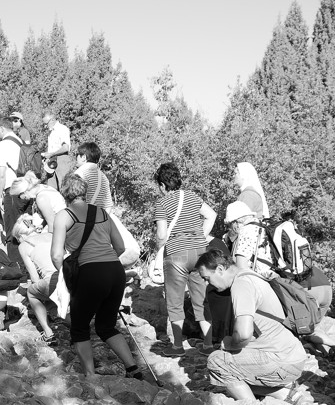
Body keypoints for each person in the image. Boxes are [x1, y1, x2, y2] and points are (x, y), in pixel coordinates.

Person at [50, 174, 148, 381]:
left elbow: (57, 255)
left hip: (89, 272)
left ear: (64, 194)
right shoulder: (102, 212)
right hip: (115, 271)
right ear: (84, 191)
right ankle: (132, 368)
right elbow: (120, 247)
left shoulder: (64, 216)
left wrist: (67, 277)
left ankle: (91, 377)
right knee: (106, 326)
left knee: (79, 327)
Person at [195, 249, 310, 403]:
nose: (207, 284)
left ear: (220, 269)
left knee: (217, 361)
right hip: (292, 357)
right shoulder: (250, 275)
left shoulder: (241, 284)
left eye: (207, 278)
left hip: (281, 361)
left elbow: (243, 335)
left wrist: (228, 344)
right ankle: (284, 393)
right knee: (228, 374)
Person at [154, 162, 217, 356]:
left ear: (163, 185)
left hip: (176, 255)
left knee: (175, 301)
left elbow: (162, 235)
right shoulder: (192, 196)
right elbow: (211, 215)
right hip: (199, 253)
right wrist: (200, 237)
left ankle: (177, 346)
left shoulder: (162, 203)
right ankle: (208, 345)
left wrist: (157, 247)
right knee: (202, 300)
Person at [12, 213, 59, 344]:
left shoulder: (24, 245)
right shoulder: (51, 235)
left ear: (21, 236)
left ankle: (48, 333)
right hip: (72, 275)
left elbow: (34, 278)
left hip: (54, 279)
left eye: (17, 239)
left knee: (32, 293)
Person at [0, 118, 30, 266]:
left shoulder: (4, 144)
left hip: (13, 191)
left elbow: (1, 173)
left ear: (2, 129)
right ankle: (30, 266)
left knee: (13, 232)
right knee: (27, 229)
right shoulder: (20, 142)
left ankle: (18, 269)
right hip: (27, 189)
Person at [223, 201, 271, 273]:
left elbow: (241, 267)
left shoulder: (245, 231)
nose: (230, 228)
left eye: (230, 225)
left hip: (258, 276)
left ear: (235, 222)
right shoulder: (263, 226)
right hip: (273, 273)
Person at [74, 142, 113, 212]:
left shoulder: (79, 174)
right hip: (99, 216)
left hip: (82, 215)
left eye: (77, 155)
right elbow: (108, 206)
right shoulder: (104, 177)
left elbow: (73, 200)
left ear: (84, 157)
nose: (76, 158)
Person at [41, 112, 71, 191]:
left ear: (52, 120)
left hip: (62, 160)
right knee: (51, 189)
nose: (45, 126)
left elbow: (66, 148)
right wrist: (47, 157)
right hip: (52, 161)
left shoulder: (62, 129)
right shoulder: (51, 132)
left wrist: (51, 154)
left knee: (63, 187)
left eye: (46, 124)